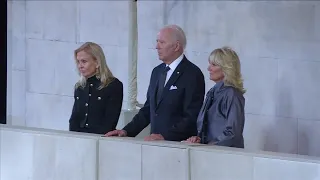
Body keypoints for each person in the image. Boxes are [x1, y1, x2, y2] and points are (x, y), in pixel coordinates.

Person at [105, 25, 205, 141]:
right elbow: (148, 109)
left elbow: (191, 115)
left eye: (162, 42)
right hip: (155, 145)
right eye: (157, 42)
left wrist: (165, 136)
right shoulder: (157, 72)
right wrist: (126, 131)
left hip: (178, 145)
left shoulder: (192, 74)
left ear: (176, 46)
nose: (157, 47)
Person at [184, 46, 246, 148]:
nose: (209, 68)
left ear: (226, 68)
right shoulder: (212, 92)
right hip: (211, 153)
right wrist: (199, 139)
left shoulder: (232, 94)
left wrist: (208, 146)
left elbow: (232, 133)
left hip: (225, 156)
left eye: (214, 65)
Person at [69, 42, 123, 135]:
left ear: (97, 62)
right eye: (78, 61)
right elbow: (74, 119)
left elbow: (110, 121)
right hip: (79, 140)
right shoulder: (80, 87)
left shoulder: (113, 85)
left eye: (84, 61)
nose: (80, 66)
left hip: (101, 140)